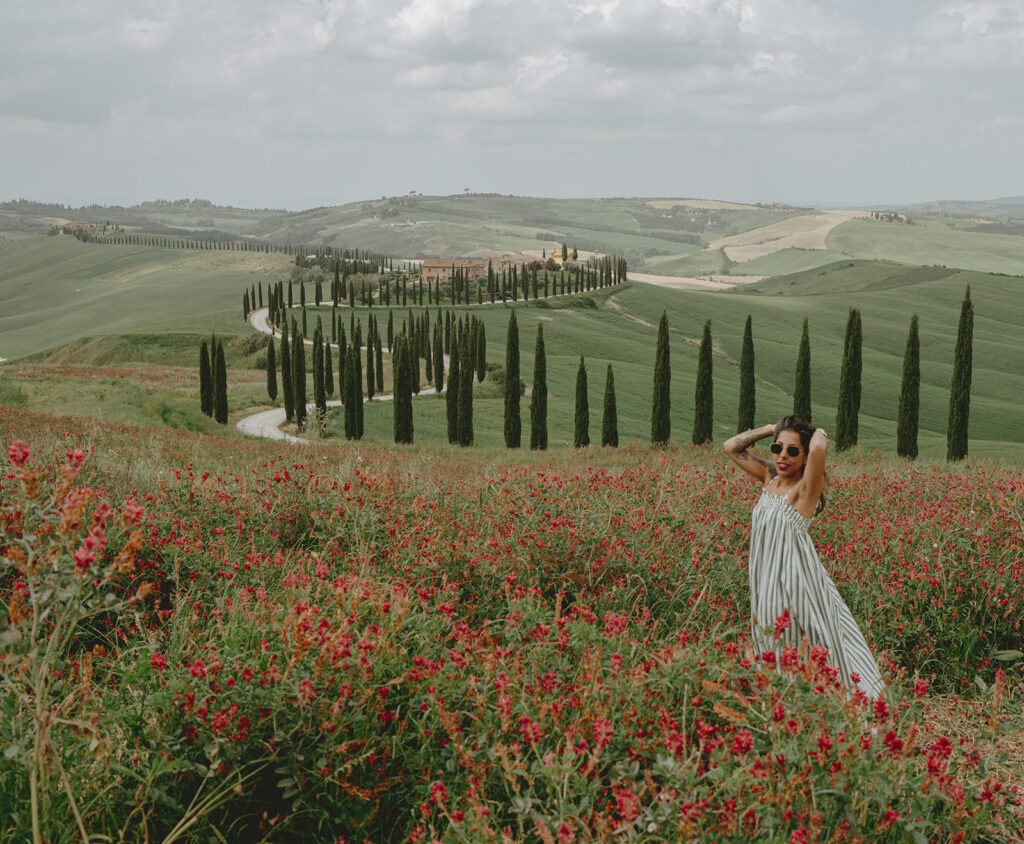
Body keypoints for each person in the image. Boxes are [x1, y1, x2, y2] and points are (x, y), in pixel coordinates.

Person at [723, 415, 885, 700]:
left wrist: (817, 431)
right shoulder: (769, 477)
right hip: (765, 579)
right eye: (777, 448)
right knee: (773, 641)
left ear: (806, 455)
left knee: (794, 641)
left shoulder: (806, 490)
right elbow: (731, 447)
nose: (783, 456)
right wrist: (772, 429)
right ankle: (786, 709)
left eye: (793, 451)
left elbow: (820, 448)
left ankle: (816, 706)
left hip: (793, 581)